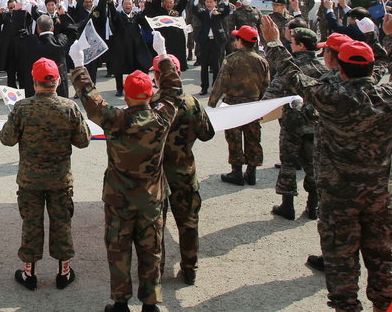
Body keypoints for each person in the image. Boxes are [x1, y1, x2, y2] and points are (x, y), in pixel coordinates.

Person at [261, 13, 392, 312]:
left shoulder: (330, 96)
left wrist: (274, 43)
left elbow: (293, 75)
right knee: (381, 261)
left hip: (339, 196)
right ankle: (384, 306)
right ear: (371, 69)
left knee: (340, 264)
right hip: (378, 194)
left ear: (341, 69)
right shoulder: (390, 95)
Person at [70, 59, 183, 312]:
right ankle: (150, 302)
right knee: (151, 250)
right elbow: (175, 93)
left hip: (119, 199)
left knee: (118, 250)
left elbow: (91, 100)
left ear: (127, 94)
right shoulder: (161, 117)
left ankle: (120, 302)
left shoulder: (115, 119)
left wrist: (79, 67)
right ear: (150, 94)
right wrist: (165, 61)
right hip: (151, 198)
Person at [0, 57, 91, 291]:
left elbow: (6, 139)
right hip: (60, 178)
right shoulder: (68, 107)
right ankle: (64, 272)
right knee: (62, 222)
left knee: (31, 223)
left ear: (34, 81)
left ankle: (29, 274)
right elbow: (83, 141)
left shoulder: (22, 107)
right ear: (58, 81)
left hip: (30, 179)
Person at [159, 54, 214, 285]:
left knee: (156, 226)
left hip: (158, 177)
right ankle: (190, 268)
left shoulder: (152, 103)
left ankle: (156, 269)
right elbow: (207, 133)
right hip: (184, 173)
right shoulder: (192, 103)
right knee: (188, 222)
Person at [263, 25, 327, 220]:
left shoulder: (290, 68)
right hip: (315, 124)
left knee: (288, 164)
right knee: (312, 165)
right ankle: (313, 206)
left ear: (300, 46)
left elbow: (272, 94)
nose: (290, 45)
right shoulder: (322, 68)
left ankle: (287, 206)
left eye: (292, 42)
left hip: (292, 124)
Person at [208, 25, 270, 185]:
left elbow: (220, 84)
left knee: (234, 139)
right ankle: (251, 171)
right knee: (253, 139)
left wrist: (211, 105)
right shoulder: (262, 61)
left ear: (240, 42)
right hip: (253, 106)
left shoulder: (231, 59)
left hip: (233, 105)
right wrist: (262, 104)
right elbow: (266, 85)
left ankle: (236, 172)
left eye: (237, 39)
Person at [105, 0, 151, 97]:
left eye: (129, 4)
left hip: (136, 46)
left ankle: (143, 87)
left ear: (133, 5)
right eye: (125, 4)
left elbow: (146, 24)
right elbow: (112, 12)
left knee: (142, 66)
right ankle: (120, 89)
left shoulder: (137, 16)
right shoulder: (119, 15)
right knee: (119, 68)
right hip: (122, 46)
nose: (127, 5)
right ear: (122, 5)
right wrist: (110, 2)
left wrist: (147, 4)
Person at [192, 0, 232, 96]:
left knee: (216, 65)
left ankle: (216, 87)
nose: (209, 4)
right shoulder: (203, 12)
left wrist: (226, 0)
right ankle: (204, 87)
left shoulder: (218, 12)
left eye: (211, 2)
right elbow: (194, 10)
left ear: (215, 3)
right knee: (204, 65)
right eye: (207, 2)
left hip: (217, 41)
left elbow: (226, 11)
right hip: (205, 41)